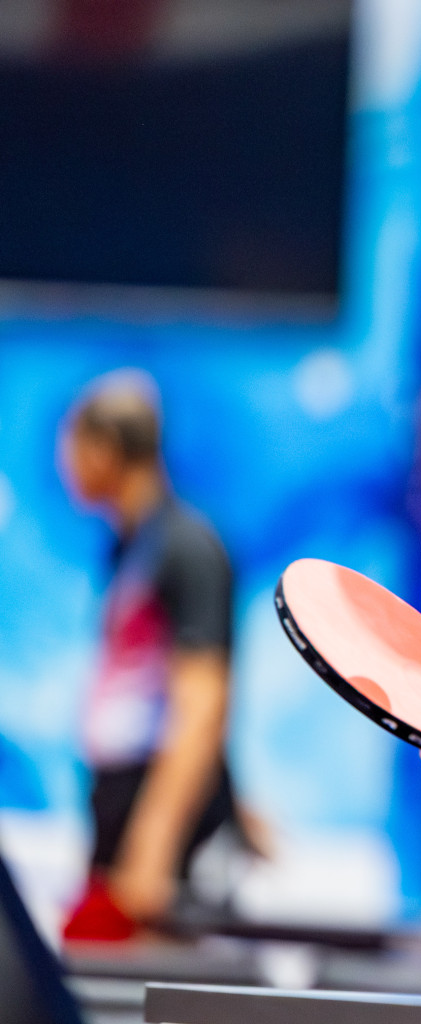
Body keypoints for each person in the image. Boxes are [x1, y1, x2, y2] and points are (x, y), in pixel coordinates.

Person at [58, 372, 239, 938]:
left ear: (105, 449)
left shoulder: (186, 548)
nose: (64, 463)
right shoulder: (130, 544)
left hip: (158, 813)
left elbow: (203, 702)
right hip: (118, 799)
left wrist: (153, 845)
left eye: (71, 444)